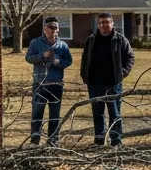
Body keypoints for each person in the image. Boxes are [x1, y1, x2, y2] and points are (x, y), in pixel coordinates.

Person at [80, 12, 135, 146]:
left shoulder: (120, 39)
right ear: (98, 25)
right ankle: (99, 138)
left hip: (113, 83)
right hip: (94, 83)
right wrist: (83, 74)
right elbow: (84, 58)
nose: (104, 25)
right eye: (101, 23)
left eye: (106, 22)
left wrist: (122, 73)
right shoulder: (91, 39)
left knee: (114, 112)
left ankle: (116, 139)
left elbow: (130, 58)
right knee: (97, 112)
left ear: (112, 23)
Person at [25, 16, 73, 146]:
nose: (53, 30)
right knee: (37, 114)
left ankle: (52, 141)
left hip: (56, 84)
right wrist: (42, 56)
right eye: (50, 27)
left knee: (54, 115)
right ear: (45, 28)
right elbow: (28, 58)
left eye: (56, 27)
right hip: (40, 83)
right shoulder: (36, 42)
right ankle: (34, 142)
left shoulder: (62, 45)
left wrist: (59, 63)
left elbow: (69, 61)